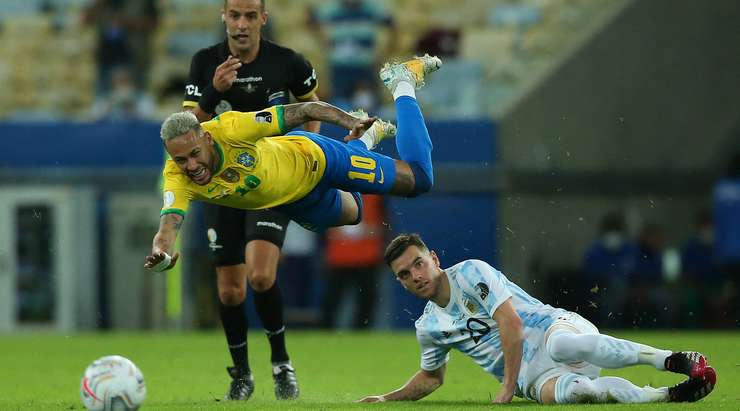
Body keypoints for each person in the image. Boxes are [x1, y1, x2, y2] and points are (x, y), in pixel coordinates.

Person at [358, 233, 716, 405]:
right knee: (581, 394)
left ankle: (671, 359)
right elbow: (432, 377)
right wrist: (388, 399)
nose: (415, 275)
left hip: (552, 330)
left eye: (417, 263)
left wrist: (506, 388)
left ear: (433, 258)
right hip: (536, 376)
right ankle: (666, 396)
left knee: (563, 344)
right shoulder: (429, 327)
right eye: (404, 274)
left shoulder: (470, 273)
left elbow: (511, 324)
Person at [179, 0, 322, 401]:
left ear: (263, 18)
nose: (241, 24)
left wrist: (305, 150)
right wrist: (214, 91)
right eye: (234, 16)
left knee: (260, 276)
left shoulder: (288, 62)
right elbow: (186, 130)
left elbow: (311, 104)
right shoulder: (205, 62)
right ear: (224, 18)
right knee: (229, 291)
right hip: (222, 187)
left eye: (249, 16)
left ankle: (281, 365)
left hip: (270, 184)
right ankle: (241, 373)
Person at [321, 194, 385, 329]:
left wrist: (367, 231)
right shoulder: (334, 188)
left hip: (367, 256)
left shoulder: (377, 193)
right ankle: (325, 332)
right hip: (339, 257)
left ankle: (361, 333)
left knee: (366, 300)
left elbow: (384, 226)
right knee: (331, 300)